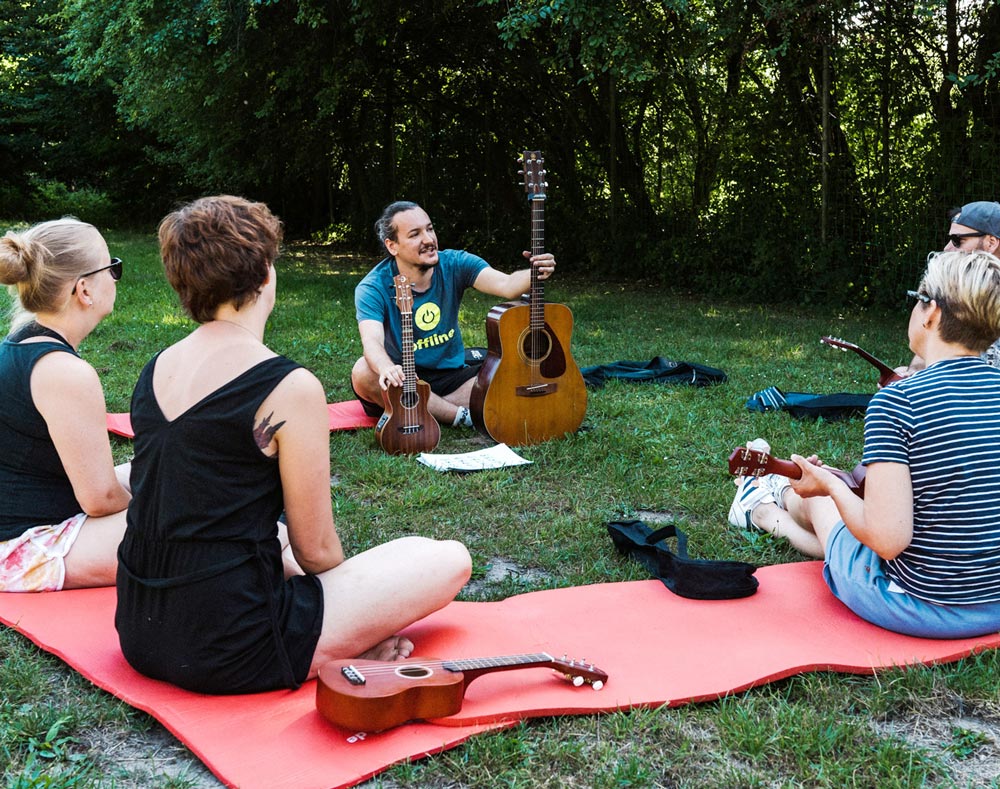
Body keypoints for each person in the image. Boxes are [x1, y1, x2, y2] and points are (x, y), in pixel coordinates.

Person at [115, 195, 471, 694]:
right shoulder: (287, 387)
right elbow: (317, 550)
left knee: (275, 538)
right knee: (446, 558)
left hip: (139, 626)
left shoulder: (156, 367)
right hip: (233, 645)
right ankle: (325, 640)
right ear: (264, 273)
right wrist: (360, 625)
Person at [729, 249, 1000, 639]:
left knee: (823, 501)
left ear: (932, 313)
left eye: (917, 299)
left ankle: (760, 507)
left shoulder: (899, 401)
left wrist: (831, 485)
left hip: (921, 605)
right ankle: (767, 505)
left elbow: (888, 541)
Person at [0, 218, 130, 592]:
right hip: (22, 548)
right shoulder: (65, 373)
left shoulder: (23, 342)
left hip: (27, 518)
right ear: (84, 289)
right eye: (113, 268)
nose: (116, 278)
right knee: (197, 523)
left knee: (156, 470)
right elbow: (100, 499)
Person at [351, 200, 558, 427]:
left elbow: (506, 284)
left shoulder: (456, 263)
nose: (429, 240)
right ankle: (460, 416)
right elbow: (371, 342)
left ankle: (417, 408)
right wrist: (386, 368)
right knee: (363, 372)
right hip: (400, 377)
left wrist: (534, 272)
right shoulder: (372, 286)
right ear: (393, 246)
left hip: (450, 377)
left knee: (511, 375)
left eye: (430, 229)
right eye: (414, 234)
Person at [902, 200, 1000, 372]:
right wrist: (912, 372)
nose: (947, 249)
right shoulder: (957, 287)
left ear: (991, 242)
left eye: (957, 240)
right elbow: (932, 336)